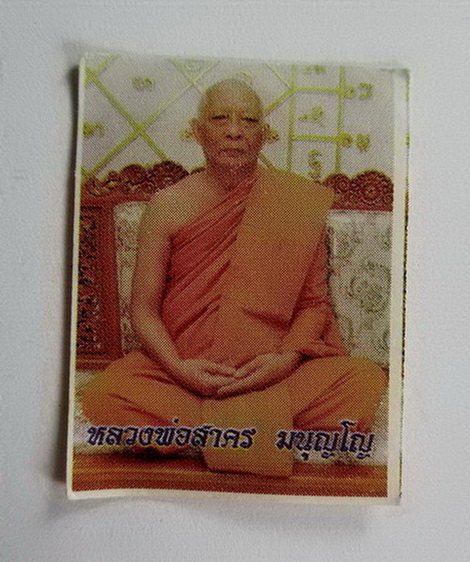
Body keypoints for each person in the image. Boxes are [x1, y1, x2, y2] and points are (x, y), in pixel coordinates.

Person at [82, 79, 387, 477]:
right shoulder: (167, 206)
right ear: (197, 131)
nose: (234, 131)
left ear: (264, 134)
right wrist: (179, 368)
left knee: (363, 381)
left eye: (248, 120)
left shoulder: (296, 202)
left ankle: (207, 432)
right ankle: (264, 429)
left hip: (271, 375)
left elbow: (314, 304)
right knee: (105, 395)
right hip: (185, 372)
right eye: (220, 118)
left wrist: (284, 360)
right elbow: (143, 309)